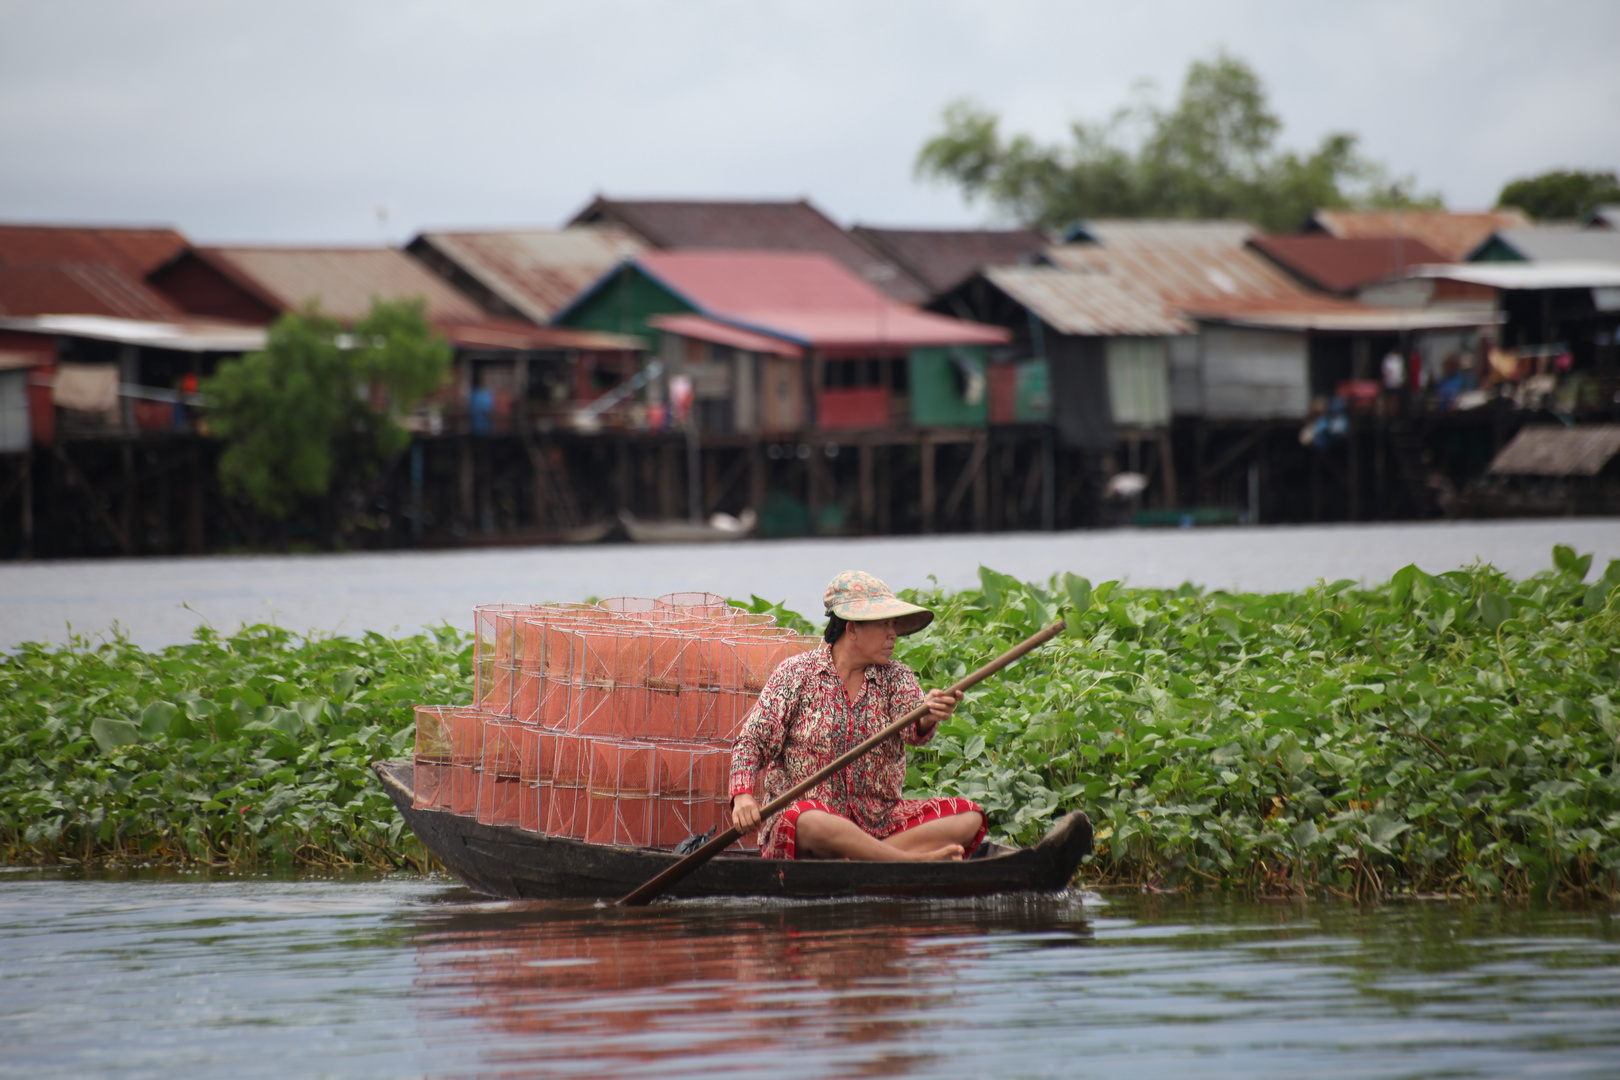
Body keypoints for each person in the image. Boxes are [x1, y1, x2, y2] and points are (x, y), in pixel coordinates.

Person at [728, 571, 988, 862]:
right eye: (884, 625)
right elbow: (751, 742)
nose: (893, 634)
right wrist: (742, 796)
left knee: (969, 816)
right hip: (812, 824)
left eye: (893, 625)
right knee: (807, 820)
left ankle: (869, 858)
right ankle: (908, 861)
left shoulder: (896, 676)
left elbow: (915, 729)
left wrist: (929, 715)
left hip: (880, 823)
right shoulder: (796, 674)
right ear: (852, 629)